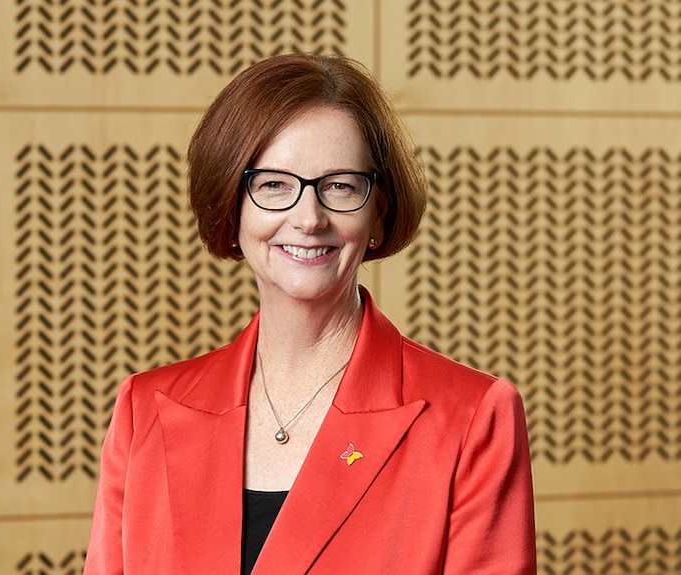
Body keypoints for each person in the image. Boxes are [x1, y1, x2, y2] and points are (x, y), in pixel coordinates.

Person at [83, 53, 536, 574]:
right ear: (233, 210)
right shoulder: (144, 412)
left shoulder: (474, 418)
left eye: (339, 186)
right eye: (273, 184)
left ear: (377, 214)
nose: (308, 217)